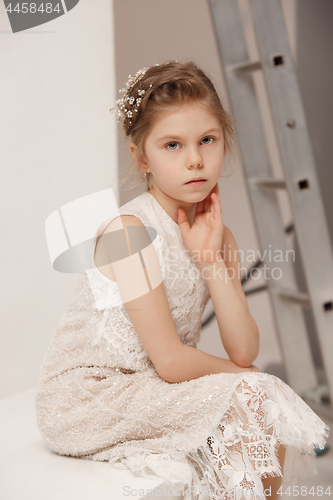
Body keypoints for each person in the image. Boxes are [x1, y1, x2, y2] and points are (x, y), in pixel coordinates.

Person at [36, 61, 329, 500]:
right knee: (253, 395)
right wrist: (250, 380)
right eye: (172, 145)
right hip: (88, 396)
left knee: (252, 399)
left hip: (151, 385)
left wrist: (210, 259)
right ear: (141, 157)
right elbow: (172, 361)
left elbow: (244, 348)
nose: (194, 159)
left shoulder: (216, 234)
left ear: (223, 141)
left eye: (207, 140)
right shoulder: (129, 231)